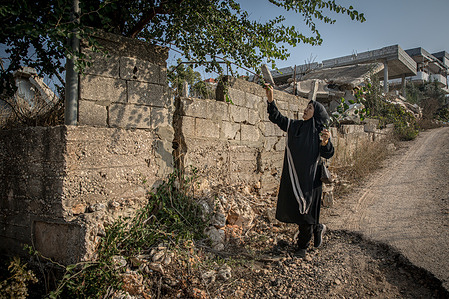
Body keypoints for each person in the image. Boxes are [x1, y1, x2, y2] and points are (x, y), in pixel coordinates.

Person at [265, 84, 334, 258]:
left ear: (316, 114)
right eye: (306, 107)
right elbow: (277, 118)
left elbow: (329, 153)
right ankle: (317, 228)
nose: (305, 110)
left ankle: (302, 247)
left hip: (311, 180)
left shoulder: (320, 132)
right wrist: (271, 98)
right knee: (299, 210)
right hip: (295, 177)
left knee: (306, 214)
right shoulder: (294, 126)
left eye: (309, 108)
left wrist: (326, 143)